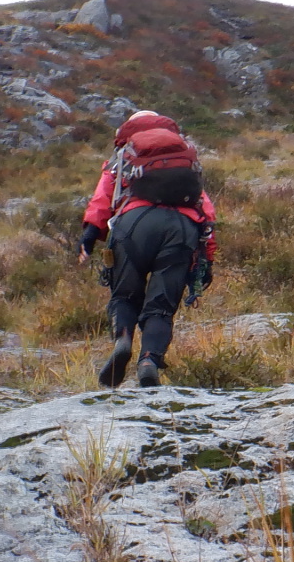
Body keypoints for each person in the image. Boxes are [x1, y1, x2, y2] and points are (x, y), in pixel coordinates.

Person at [77, 110, 217, 388]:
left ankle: (123, 340)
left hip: (133, 225)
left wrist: (90, 236)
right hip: (181, 229)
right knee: (161, 308)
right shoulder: (183, 158)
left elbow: (103, 198)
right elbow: (206, 209)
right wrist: (207, 259)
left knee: (125, 296)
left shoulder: (124, 156)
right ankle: (149, 361)